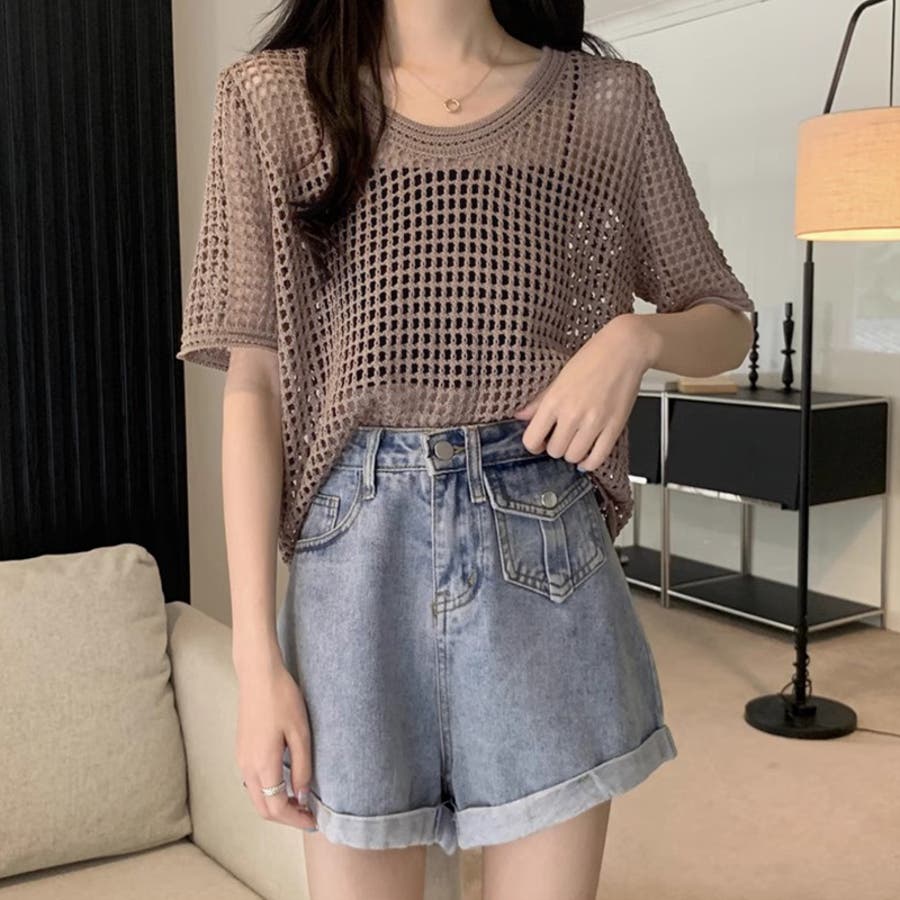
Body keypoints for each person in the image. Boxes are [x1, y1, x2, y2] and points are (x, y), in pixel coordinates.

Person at [177, 1, 755, 897]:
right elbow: (253, 386)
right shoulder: (273, 99)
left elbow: (725, 319)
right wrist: (257, 662)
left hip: (544, 549)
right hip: (352, 573)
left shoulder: (603, 103)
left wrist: (634, 338)